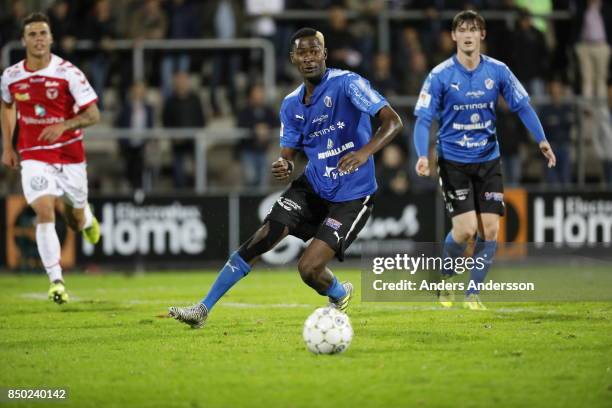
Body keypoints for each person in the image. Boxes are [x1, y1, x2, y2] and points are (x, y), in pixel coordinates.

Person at [168, 27, 403, 328]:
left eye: (314, 50)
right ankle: (202, 309)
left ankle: (338, 292)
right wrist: (283, 164)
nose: (309, 58)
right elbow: (287, 153)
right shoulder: (291, 104)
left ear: (325, 54)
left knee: (308, 269)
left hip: (353, 195)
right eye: (302, 52)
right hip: (313, 187)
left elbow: (393, 121)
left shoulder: (348, 84)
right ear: (292, 58)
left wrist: (364, 152)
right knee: (261, 238)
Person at [412, 10, 556, 310]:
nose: (467, 34)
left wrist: (541, 139)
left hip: (488, 158)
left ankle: (472, 294)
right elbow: (423, 119)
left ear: (482, 35)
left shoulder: (498, 71)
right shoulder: (439, 75)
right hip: (453, 160)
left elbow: (523, 106)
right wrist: (422, 155)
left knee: (490, 229)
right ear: (453, 36)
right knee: (466, 230)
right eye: (461, 29)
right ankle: (446, 279)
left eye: (473, 29)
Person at [1, 12, 101, 304]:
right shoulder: (10, 77)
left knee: (74, 219)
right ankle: (56, 281)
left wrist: (65, 125)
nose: (38, 39)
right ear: (23, 40)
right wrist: (8, 146)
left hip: (70, 156)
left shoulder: (68, 73)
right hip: (33, 155)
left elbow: (94, 114)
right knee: (44, 210)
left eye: (43, 33)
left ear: (51, 38)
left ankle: (87, 219)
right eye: (32, 34)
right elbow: (7, 107)